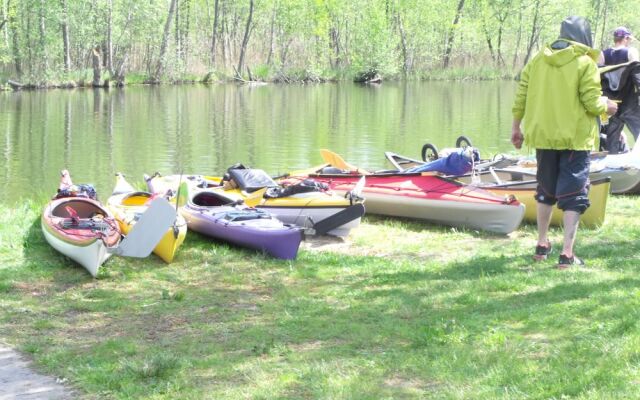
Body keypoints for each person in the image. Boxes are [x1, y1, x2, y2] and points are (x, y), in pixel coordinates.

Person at [511, 16, 618, 269]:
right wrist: (608, 107)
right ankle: (567, 255)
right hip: (574, 139)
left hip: (543, 137)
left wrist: (516, 127)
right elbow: (592, 102)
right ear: (585, 39)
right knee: (575, 196)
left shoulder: (537, 61)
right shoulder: (585, 63)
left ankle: (541, 244)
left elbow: (521, 96)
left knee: (545, 192)